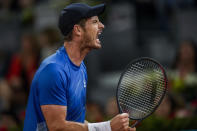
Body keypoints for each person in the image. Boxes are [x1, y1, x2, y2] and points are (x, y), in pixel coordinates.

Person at [23, 3, 136, 131]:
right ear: (78, 30)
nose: (102, 26)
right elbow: (57, 126)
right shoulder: (53, 70)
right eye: (94, 22)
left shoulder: (81, 67)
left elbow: (74, 121)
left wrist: (110, 128)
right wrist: (107, 127)